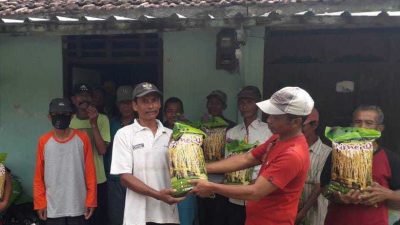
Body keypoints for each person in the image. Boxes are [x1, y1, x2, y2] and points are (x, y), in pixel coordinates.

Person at [192, 86, 314, 225]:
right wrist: (201, 167)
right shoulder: (277, 138)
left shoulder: (293, 154)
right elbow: (247, 158)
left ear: (296, 122)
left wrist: (212, 187)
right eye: (269, 115)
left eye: (275, 116)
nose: (269, 120)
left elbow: (255, 192)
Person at [110, 82, 184, 225]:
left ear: (159, 104)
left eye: (154, 100)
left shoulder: (172, 135)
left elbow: (182, 171)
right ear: (135, 106)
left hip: (167, 214)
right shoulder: (124, 134)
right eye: (145, 101)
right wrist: (158, 195)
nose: (151, 106)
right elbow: (125, 178)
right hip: (137, 216)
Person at [320, 105, 400, 225]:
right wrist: (338, 196)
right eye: (358, 122)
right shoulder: (338, 153)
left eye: (369, 123)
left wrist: (388, 194)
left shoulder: (391, 158)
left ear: (379, 129)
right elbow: (324, 187)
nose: (362, 127)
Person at [33, 98, 97, 225]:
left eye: (65, 114)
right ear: (49, 117)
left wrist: (91, 200)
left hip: (78, 204)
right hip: (53, 206)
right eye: (55, 115)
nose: (60, 118)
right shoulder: (44, 141)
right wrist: (40, 203)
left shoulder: (82, 138)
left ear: (72, 116)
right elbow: (38, 176)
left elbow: (90, 172)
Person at [225, 86, 273, 225]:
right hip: (235, 194)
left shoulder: (268, 132)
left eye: (249, 102)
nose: (244, 106)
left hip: (257, 193)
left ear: (258, 104)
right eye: (241, 102)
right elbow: (228, 161)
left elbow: (272, 163)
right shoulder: (232, 133)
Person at [70, 84, 110, 225]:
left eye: (87, 95)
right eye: (80, 95)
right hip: (75, 180)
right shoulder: (68, 120)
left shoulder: (102, 119)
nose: (84, 99)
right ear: (74, 99)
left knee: (97, 220)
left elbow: (102, 150)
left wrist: (93, 123)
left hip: (97, 179)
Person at [197, 90, 237, 225]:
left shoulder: (231, 127)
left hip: (222, 180)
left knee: (219, 215)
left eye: (217, 103)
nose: (213, 106)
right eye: (210, 103)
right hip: (203, 177)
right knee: (204, 215)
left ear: (224, 106)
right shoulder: (201, 125)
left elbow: (235, 153)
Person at [162, 97, 196, 225]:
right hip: (164, 181)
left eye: (177, 111)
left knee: (184, 218)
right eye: (170, 111)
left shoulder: (190, 129)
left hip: (186, 182)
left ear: (182, 112)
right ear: (164, 112)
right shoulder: (159, 130)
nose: (173, 115)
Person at [105, 85, 135, 225]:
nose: (126, 106)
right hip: (115, 179)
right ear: (117, 105)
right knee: (116, 218)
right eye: (122, 103)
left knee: (136, 218)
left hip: (136, 178)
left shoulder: (141, 124)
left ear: (135, 104)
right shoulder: (112, 124)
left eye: (129, 102)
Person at [296, 108, 331, 225]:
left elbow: (318, 186)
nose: (298, 129)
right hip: (291, 210)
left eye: (302, 126)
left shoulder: (327, 153)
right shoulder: (291, 149)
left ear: (314, 125)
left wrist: (302, 213)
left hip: (315, 212)